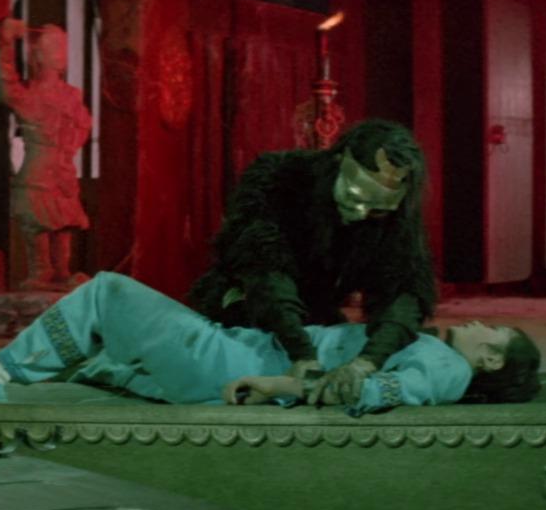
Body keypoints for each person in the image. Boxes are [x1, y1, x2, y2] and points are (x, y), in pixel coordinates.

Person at [0, 272, 540, 410]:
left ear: (491, 358)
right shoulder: (436, 353)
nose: (479, 325)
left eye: (493, 331)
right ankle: (8, 373)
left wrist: (278, 383)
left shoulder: (447, 369)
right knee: (106, 343)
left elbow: (373, 390)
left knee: (108, 292)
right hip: (241, 352)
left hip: (236, 364)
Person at [185, 119, 438, 410]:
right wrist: (300, 351)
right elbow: (263, 265)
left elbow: (405, 289)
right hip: (246, 302)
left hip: (317, 314)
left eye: (377, 210)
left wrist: (367, 362)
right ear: (339, 161)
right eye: (354, 196)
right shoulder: (280, 177)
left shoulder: (396, 219)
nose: (360, 213)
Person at [0, 18, 92, 291]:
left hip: (63, 169)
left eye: (63, 47)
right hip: (38, 168)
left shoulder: (72, 95)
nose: (61, 54)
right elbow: (4, 84)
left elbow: (84, 125)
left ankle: (61, 271)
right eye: (53, 47)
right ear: (37, 55)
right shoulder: (30, 95)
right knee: (36, 220)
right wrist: (5, 43)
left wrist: (68, 148)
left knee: (64, 223)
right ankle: (41, 271)